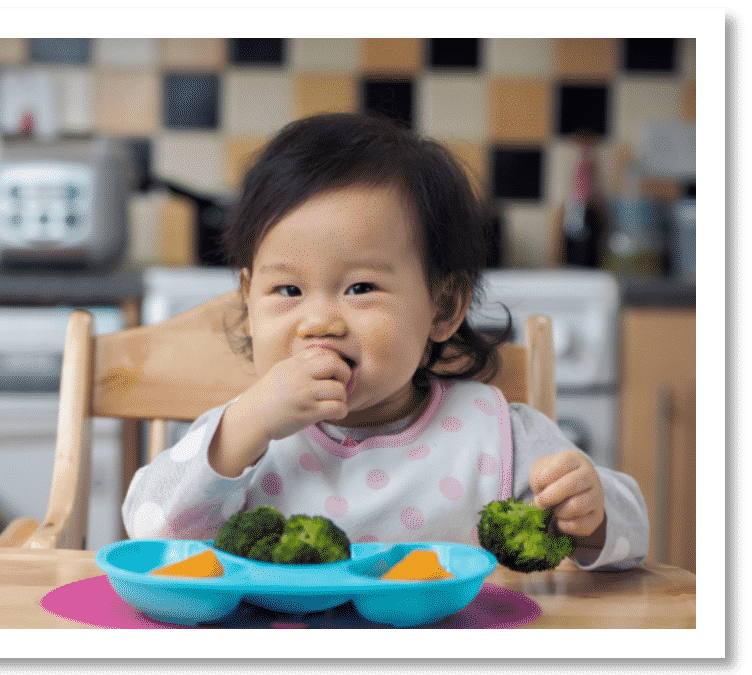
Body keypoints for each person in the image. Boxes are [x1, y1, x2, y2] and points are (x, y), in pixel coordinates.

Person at [123, 113, 648, 571]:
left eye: (361, 288)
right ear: (248, 298)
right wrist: (242, 430)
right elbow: (150, 529)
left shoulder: (495, 433)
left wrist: (593, 512)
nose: (320, 322)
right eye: (288, 289)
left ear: (442, 308)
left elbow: (633, 537)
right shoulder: (242, 434)